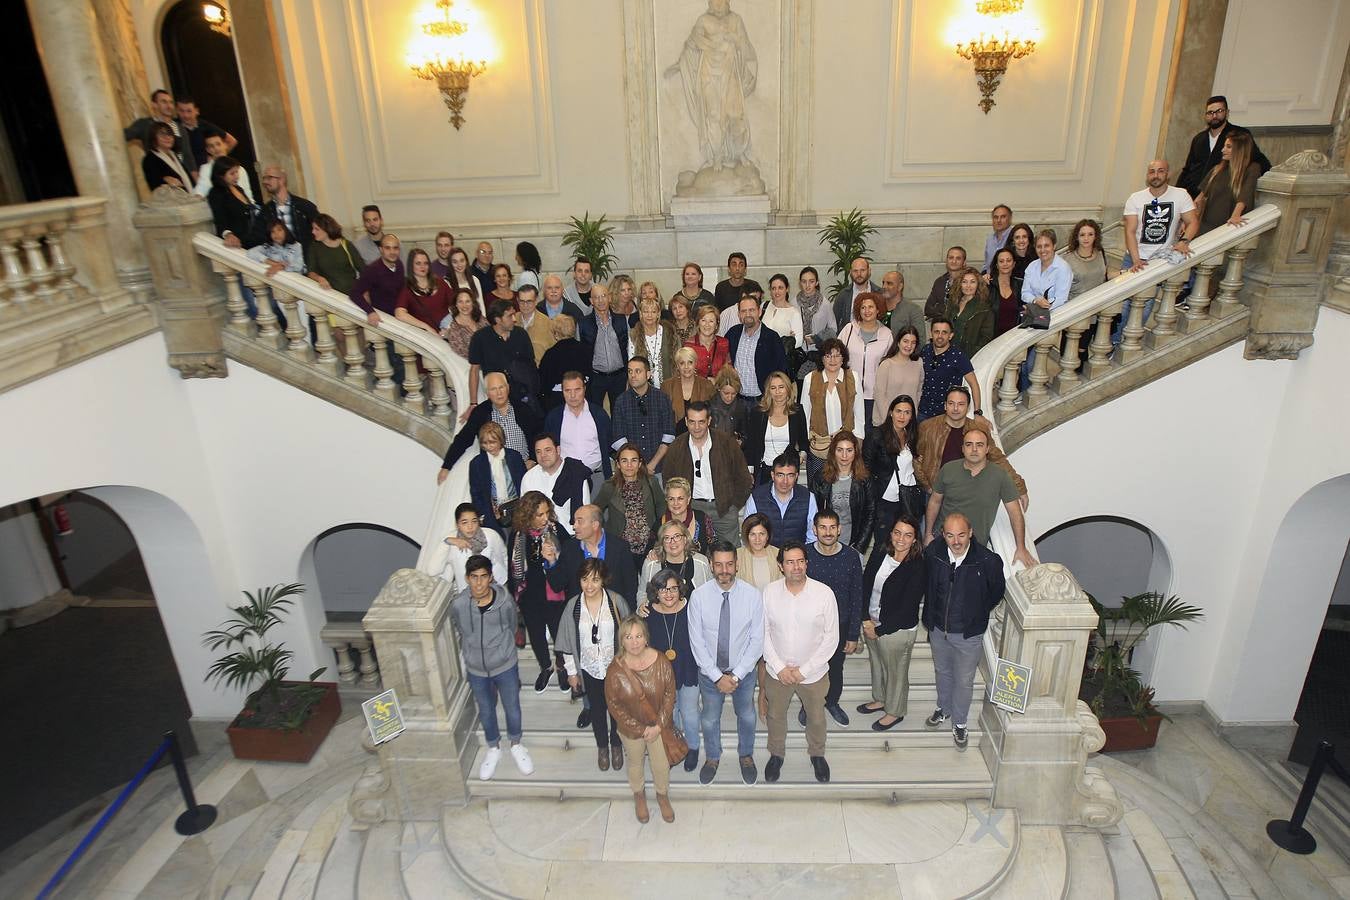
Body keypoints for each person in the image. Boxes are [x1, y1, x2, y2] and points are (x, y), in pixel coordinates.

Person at [923, 512, 1005, 751]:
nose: (956, 541)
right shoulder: (933, 554)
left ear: (971, 533)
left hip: (968, 634)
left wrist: (975, 613)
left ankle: (959, 722)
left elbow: (995, 592)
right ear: (943, 535)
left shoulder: (988, 561)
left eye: (961, 534)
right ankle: (943, 708)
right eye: (950, 535)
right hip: (939, 629)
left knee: (964, 680)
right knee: (942, 671)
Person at [451, 554, 534, 780]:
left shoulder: (505, 602)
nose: (479, 583)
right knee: (486, 709)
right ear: (467, 579)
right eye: (474, 577)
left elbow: (510, 625)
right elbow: (459, 627)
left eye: (483, 577)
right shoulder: (459, 604)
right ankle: (493, 747)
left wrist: (502, 650)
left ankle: (516, 744)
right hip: (476, 668)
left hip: (504, 664)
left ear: (491, 578)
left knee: (512, 707)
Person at [687, 541, 763, 786]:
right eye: (718, 564)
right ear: (710, 565)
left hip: (744, 672)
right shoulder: (698, 597)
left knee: (747, 715)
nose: (724, 569)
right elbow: (696, 641)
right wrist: (717, 676)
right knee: (709, 718)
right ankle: (712, 757)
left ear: (737, 564)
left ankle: (746, 755)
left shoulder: (752, 596)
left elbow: (757, 640)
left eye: (729, 564)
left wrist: (737, 675)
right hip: (710, 674)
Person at [762, 541, 838, 784]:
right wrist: (780, 667)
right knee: (775, 716)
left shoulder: (824, 593)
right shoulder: (769, 592)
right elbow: (762, 632)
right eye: (790, 562)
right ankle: (776, 754)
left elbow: (831, 637)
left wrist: (804, 670)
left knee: (816, 717)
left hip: (813, 674)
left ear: (807, 563)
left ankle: (817, 754)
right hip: (778, 672)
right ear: (781, 566)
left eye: (800, 561)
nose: (796, 567)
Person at [555, 559, 633, 771]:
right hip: (589, 668)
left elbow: (630, 636)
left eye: (595, 580)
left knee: (617, 710)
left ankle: (616, 745)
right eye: (585, 580)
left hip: (615, 668)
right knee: (597, 711)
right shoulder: (573, 606)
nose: (589, 586)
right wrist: (572, 673)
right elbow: (567, 642)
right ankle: (602, 748)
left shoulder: (616, 602)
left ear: (603, 581)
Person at [925, 422, 1036, 568]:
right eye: (969, 444)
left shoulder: (1000, 476)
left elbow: (1015, 512)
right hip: (942, 540)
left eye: (979, 444)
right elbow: (934, 502)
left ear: (987, 449)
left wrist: (1021, 547)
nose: (974, 449)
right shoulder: (948, 469)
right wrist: (928, 534)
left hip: (974, 549)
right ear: (963, 449)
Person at [1113, 159, 1199, 344]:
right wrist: (1136, 259)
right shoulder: (1136, 198)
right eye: (1152, 171)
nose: (1156, 175)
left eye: (1160, 171)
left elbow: (1192, 221)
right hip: (1133, 258)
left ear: (1167, 174)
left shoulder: (1181, 195)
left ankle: (1128, 343)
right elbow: (1129, 230)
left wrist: (1184, 241)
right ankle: (1114, 341)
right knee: (1124, 304)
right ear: (1147, 175)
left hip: (1158, 260)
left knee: (1146, 305)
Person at [605, 616, 677, 823]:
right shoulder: (615, 670)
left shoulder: (661, 661)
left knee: (661, 765)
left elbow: (669, 694)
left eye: (638, 636)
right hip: (631, 730)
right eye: (629, 637)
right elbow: (614, 705)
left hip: (658, 727)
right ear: (622, 641)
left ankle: (662, 796)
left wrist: (658, 725)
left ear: (646, 638)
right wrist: (640, 729)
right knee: (635, 762)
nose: (634, 642)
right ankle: (639, 795)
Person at [858, 516, 926, 731]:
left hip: (897, 630)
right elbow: (865, 583)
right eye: (897, 532)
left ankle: (895, 711)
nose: (901, 539)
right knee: (877, 664)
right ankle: (880, 699)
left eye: (908, 535)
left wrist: (879, 630)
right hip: (872, 623)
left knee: (896, 672)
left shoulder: (918, 566)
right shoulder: (880, 552)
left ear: (915, 539)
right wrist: (865, 619)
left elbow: (907, 608)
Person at [914, 385, 1026, 509]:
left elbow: (998, 459)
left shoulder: (978, 429)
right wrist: (928, 487)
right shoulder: (928, 427)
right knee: (930, 527)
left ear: (968, 407)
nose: (955, 408)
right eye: (951, 403)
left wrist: (1019, 487)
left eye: (961, 404)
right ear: (945, 405)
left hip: (966, 494)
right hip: (935, 493)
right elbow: (917, 458)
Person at [661, 401, 754, 545]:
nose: (696, 427)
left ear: (709, 421)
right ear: (686, 421)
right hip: (693, 509)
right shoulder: (676, 447)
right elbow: (668, 479)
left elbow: (743, 478)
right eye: (692, 422)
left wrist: (733, 505)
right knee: (695, 553)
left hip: (723, 509)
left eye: (701, 422)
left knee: (729, 556)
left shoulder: (726, 442)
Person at [807, 509, 865, 727]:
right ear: (814, 530)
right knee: (809, 668)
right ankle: (808, 706)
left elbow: (857, 595)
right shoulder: (805, 555)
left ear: (839, 529)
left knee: (835, 668)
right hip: (810, 627)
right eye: (823, 527)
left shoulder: (851, 557)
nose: (828, 532)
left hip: (839, 626)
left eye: (832, 527)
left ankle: (831, 703)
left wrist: (853, 634)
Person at [508, 492, 569, 694]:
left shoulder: (556, 530)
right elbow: (513, 568)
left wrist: (554, 559)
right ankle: (546, 666)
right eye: (539, 514)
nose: (545, 518)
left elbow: (569, 560)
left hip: (554, 595)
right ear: (528, 515)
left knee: (558, 633)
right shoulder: (517, 535)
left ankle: (562, 667)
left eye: (546, 512)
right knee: (536, 635)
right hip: (530, 596)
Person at [641, 570, 701, 772]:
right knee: (669, 713)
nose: (669, 594)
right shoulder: (647, 612)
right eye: (663, 589)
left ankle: (692, 748)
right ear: (655, 592)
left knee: (690, 712)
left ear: (680, 589)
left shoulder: (692, 608)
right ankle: (674, 745)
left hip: (687, 668)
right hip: (661, 675)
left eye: (673, 588)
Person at [439, 371, 541, 478]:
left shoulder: (523, 409)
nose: (499, 393)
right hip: (495, 472)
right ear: (487, 393)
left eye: (501, 387)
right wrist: (447, 466)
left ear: (508, 388)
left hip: (524, 468)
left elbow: (537, 435)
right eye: (493, 389)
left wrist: (533, 460)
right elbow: (464, 439)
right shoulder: (481, 413)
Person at [1177, 95, 1272, 199]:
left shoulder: (1239, 135)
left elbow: (1259, 161)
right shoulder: (1198, 139)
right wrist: (1177, 193)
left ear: (1227, 112)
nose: (1214, 116)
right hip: (1193, 196)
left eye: (1219, 111)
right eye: (1210, 113)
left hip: (1220, 196)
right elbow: (1187, 169)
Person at [800, 338, 865, 484]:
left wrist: (858, 444)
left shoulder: (853, 377)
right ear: (822, 358)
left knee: (842, 488)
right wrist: (804, 446)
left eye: (837, 355)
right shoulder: (810, 378)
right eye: (828, 355)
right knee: (818, 488)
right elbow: (804, 415)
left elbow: (859, 415)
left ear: (844, 358)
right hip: (819, 446)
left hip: (845, 448)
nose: (832, 359)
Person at [547, 504, 639, 606]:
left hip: (614, 612)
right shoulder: (569, 548)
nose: (574, 526)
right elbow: (557, 585)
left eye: (579, 521)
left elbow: (631, 586)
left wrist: (628, 615)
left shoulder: (619, 547)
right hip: (580, 614)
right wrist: (551, 561)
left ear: (595, 525)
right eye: (575, 521)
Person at [865, 394, 924, 547]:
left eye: (907, 412)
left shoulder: (913, 436)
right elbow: (866, 468)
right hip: (885, 500)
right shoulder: (877, 435)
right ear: (891, 412)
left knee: (906, 546)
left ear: (912, 416)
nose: (902, 416)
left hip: (908, 498)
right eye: (898, 411)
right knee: (883, 545)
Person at [594, 444, 666, 568]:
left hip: (649, 546)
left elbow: (662, 508)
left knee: (649, 584)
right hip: (621, 547)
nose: (629, 465)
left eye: (633, 460)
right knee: (627, 586)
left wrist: (661, 538)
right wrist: (605, 534)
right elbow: (594, 511)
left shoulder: (651, 481)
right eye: (624, 461)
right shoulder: (609, 486)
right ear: (618, 464)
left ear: (639, 464)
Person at [467, 298, 539, 418]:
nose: (514, 319)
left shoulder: (521, 334)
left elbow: (531, 365)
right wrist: (473, 403)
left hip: (523, 397)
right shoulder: (480, 338)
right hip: (497, 399)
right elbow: (474, 370)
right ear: (497, 319)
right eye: (510, 316)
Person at [809, 430, 874, 554]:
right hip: (824, 544)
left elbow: (870, 514)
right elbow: (812, 512)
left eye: (849, 450)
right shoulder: (820, 477)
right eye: (840, 450)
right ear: (833, 451)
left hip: (854, 544)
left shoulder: (865, 479)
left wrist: (859, 547)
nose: (844, 456)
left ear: (856, 452)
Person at [546, 371, 614, 487]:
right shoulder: (554, 417)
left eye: (577, 390)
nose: (573, 396)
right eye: (568, 391)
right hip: (566, 479)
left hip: (597, 476)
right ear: (562, 391)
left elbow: (609, 444)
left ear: (584, 389)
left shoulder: (599, 414)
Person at [837, 293, 897, 424]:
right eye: (863, 307)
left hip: (874, 396)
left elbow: (891, 366)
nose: (867, 311)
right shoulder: (849, 329)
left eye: (871, 307)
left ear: (878, 310)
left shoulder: (887, 335)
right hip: (849, 393)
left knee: (870, 436)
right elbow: (837, 356)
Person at [609, 357, 674, 473]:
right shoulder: (621, 401)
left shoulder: (662, 399)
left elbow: (668, 437)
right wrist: (636, 465)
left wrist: (651, 465)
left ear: (648, 374)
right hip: (631, 470)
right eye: (630, 371)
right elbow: (618, 439)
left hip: (658, 468)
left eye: (637, 371)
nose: (633, 375)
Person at [520, 433, 591, 536]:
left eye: (548, 450)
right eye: (538, 452)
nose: (543, 455)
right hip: (540, 537)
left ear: (558, 450)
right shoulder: (528, 478)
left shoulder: (575, 473)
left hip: (572, 536)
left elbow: (585, 512)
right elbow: (525, 514)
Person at [742, 371, 807, 482]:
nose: (778, 392)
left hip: (788, 471)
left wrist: (801, 455)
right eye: (773, 388)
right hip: (763, 471)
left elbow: (804, 441)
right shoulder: (758, 413)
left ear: (788, 388)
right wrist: (750, 470)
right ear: (768, 391)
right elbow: (751, 444)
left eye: (781, 387)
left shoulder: (797, 411)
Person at [1196, 130, 1262, 236]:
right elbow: (1200, 198)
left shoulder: (1252, 168)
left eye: (1228, 147)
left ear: (1240, 149)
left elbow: (1246, 194)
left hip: (1228, 227)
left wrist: (1236, 215)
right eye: (1224, 146)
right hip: (1205, 227)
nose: (1223, 150)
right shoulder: (1217, 169)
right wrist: (1189, 221)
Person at [744, 451, 818, 544]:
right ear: (772, 475)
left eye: (790, 475)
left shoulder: (808, 497)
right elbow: (748, 533)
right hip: (765, 555)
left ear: (796, 476)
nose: (785, 481)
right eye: (780, 475)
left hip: (796, 556)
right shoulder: (756, 497)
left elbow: (812, 536)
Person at [467, 422, 525, 538]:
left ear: (501, 440)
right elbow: (476, 493)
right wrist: (483, 515)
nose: (489, 446)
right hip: (492, 515)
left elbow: (524, 483)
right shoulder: (477, 463)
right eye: (485, 443)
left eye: (493, 442)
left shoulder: (514, 456)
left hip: (518, 510)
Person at [435, 503, 508, 593]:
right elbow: (433, 570)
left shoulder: (491, 535)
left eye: (474, 521)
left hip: (498, 587)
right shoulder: (451, 542)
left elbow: (504, 557)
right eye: (464, 522)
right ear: (457, 524)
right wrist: (447, 541)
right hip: (468, 594)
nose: (470, 527)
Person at [577, 283, 629, 408]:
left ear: (609, 297)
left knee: (619, 414)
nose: (600, 300)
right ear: (591, 301)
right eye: (596, 297)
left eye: (604, 296)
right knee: (595, 413)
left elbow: (629, 347)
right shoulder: (583, 324)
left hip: (620, 377)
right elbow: (580, 353)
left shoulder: (622, 320)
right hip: (596, 377)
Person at [918, 318, 980, 421]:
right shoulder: (925, 351)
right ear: (931, 334)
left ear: (950, 335)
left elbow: (974, 384)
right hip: (923, 411)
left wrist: (977, 412)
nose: (940, 336)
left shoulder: (958, 356)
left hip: (947, 415)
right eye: (936, 332)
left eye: (944, 332)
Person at [640, 521, 713, 599]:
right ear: (662, 543)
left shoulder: (702, 562)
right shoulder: (651, 563)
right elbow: (642, 593)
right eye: (667, 538)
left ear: (685, 539)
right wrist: (641, 605)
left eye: (677, 536)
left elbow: (711, 592)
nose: (672, 542)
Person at [124, 89, 190, 173]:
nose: (169, 106)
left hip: (181, 172)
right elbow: (122, 136)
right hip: (159, 173)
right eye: (164, 102)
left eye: (170, 102)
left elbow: (188, 156)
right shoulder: (144, 124)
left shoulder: (179, 127)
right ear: (154, 105)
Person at [872, 326, 924, 428]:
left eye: (913, 342)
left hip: (908, 422)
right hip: (885, 423)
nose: (909, 346)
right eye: (905, 341)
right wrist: (889, 421)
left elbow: (918, 391)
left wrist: (911, 415)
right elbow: (879, 395)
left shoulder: (918, 363)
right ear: (898, 342)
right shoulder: (886, 364)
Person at [395, 248, 453, 337]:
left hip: (449, 334)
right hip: (428, 338)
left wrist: (449, 328)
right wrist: (426, 327)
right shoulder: (407, 289)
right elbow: (399, 314)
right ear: (411, 266)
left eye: (425, 263)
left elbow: (456, 304)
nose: (423, 267)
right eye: (418, 263)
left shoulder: (440, 282)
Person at [207, 157, 263, 250]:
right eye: (232, 173)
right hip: (240, 243)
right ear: (221, 175)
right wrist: (228, 234)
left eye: (237, 172)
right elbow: (219, 219)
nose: (236, 176)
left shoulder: (238, 188)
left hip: (255, 238)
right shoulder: (216, 193)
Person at [349, 234, 404, 327]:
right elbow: (354, 293)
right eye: (388, 248)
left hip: (399, 317)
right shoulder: (372, 270)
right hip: (384, 321)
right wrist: (370, 312)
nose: (392, 252)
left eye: (395, 248)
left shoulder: (399, 265)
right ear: (381, 249)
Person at [537, 315, 590, 410]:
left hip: (557, 400)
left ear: (556, 334)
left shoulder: (551, 354)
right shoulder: (585, 349)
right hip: (582, 396)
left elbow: (544, 381)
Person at [259, 166, 317, 249]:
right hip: (280, 260)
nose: (265, 182)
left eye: (269, 177)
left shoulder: (305, 206)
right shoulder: (265, 211)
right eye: (264, 178)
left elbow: (321, 232)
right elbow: (257, 237)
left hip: (306, 258)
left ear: (282, 179)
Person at [305, 213, 362, 297]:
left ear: (326, 229)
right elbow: (311, 272)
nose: (313, 232)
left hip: (353, 293)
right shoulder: (314, 247)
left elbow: (362, 268)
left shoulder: (345, 244)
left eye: (317, 229)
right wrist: (319, 278)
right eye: (313, 228)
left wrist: (365, 290)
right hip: (331, 295)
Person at [660, 477, 717, 560]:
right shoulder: (659, 525)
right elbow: (653, 552)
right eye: (671, 499)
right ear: (666, 500)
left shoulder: (702, 518)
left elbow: (714, 547)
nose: (676, 503)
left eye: (680, 498)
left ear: (688, 499)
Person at [173, 96, 235, 170]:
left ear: (196, 111)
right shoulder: (173, 126)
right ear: (176, 110)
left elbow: (231, 141)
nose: (186, 115)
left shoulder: (205, 125)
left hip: (208, 170)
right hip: (185, 171)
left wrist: (217, 158)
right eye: (181, 111)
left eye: (189, 111)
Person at [945, 267, 995, 358]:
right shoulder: (953, 302)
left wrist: (972, 353)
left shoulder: (984, 308)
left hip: (971, 357)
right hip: (948, 353)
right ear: (960, 284)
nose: (968, 286)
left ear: (978, 284)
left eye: (972, 282)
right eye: (964, 282)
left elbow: (986, 338)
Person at [631, 295, 679, 386]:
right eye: (646, 312)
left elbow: (677, 358)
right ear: (641, 314)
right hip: (643, 387)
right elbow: (632, 362)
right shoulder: (634, 334)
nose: (649, 315)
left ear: (658, 314)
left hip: (669, 384)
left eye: (653, 312)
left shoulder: (669, 332)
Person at [663, 347, 715, 431]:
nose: (686, 367)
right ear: (677, 365)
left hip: (700, 433)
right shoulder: (667, 386)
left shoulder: (707, 385)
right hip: (674, 435)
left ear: (695, 364)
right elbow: (663, 417)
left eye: (690, 362)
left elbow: (712, 415)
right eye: (682, 363)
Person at [1064, 219, 1114, 300]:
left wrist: (1125, 272)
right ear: (1077, 237)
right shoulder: (1067, 259)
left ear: (1095, 236)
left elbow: (1103, 276)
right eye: (1082, 235)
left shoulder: (1101, 254)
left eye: (1090, 234)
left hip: (1097, 304)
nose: (1086, 238)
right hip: (1075, 305)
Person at [192, 133, 249, 201]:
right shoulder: (206, 169)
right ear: (208, 150)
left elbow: (248, 194)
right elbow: (201, 189)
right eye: (211, 146)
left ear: (225, 145)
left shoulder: (240, 169)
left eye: (218, 144)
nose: (216, 148)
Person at [831, 257, 882, 332]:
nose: (859, 274)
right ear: (850, 272)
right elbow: (834, 322)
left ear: (869, 271)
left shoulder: (879, 293)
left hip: (875, 338)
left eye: (862, 270)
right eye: (855, 271)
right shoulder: (843, 295)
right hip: (849, 339)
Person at [762, 273, 806, 356]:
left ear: (787, 289)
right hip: (762, 354)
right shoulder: (764, 306)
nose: (777, 291)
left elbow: (799, 341)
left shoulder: (794, 313)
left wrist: (787, 341)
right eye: (773, 288)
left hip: (781, 357)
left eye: (780, 288)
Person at [141, 122, 193, 190]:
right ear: (153, 137)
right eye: (162, 134)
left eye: (170, 134)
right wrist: (164, 179)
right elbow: (154, 184)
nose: (167, 137)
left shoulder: (174, 155)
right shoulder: (150, 159)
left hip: (186, 197)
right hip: (170, 199)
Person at [735, 513, 781, 591]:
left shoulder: (779, 554)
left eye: (761, 534)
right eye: (753, 534)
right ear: (746, 536)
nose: (757, 539)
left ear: (768, 536)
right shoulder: (737, 556)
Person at [686, 303, 730, 379]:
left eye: (711, 321)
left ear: (716, 325)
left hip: (719, 389)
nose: (707, 325)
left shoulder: (724, 343)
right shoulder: (688, 345)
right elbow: (685, 373)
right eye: (703, 320)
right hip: (696, 389)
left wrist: (717, 381)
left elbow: (728, 371)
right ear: (698, 323)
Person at [988, 247, 1025, 337]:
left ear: (1014, 264)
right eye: (1001, 261)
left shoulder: (1021, 284)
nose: (1005, 264)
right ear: (997, 265)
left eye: (1008, 260)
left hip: (1014, 339)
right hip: (992, 339)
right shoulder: (988, 285)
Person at [796, 265, 836, 349]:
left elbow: (833, 330)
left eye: (811, 281)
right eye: (804, 281)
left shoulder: (825, 304)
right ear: (800, 283)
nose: (807, 285)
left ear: (817, 282)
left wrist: (816, 339)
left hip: (819, 351)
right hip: (798, 353)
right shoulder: (793, 303)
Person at [443, 287, 486, 361]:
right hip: (474, 366)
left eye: (467, 301)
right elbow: (465, 353)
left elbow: (493, 337)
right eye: (460, 302)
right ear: (456, 304)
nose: (464, 306)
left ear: (473, 303)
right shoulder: (454, 329)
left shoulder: (481, 319)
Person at [924, 247, 967, 320]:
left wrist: (940, 308)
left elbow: (964, 309)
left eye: (958, 258)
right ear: (946, 260)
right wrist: (947, 311)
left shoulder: (968, 281)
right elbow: (928, 309)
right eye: (951, 258)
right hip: (942, 326)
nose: (954, 261)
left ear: (964, 262)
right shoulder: (940, 281)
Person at [709, 366, 751, 439]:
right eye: (726, 393)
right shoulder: (709, 406)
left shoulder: (741, 407)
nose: (730, 397)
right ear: (719, 388)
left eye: (734, 394)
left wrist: (741, 441)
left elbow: (746, 434)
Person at [516, 284, 554, 363]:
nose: (525, 305)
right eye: (522, 301)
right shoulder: (511, 321)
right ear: (517, 300)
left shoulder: (548, 324)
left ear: (536, 301)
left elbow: (554, 353)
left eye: (529, 301)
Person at [882, 270, 924, 339]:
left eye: (889, 283)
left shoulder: (914, 310)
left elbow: (920, 339)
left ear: (900, 286)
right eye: (883, 283)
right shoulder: (876, 307)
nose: (884, 286)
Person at [445, 246, 484, 317]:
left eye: (462, 260)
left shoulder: (475, 280)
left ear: (466, 261)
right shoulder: (446, 283)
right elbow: (449, 310)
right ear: (450, 264)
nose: (459, 265)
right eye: (455, 262)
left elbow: (481, 305)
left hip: (476, 321)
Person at [983, 204, 1013, 272]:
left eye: (1003, 217)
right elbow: (986, 265)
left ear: (1010, 218)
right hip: (990, 280)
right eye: (996, 217)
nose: (999, 220)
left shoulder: (1015, 237)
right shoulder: (990, 239)